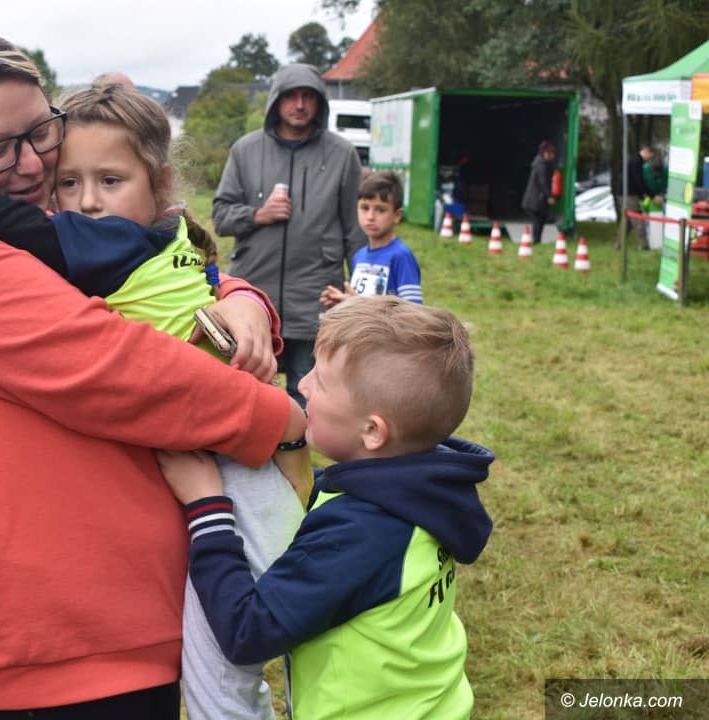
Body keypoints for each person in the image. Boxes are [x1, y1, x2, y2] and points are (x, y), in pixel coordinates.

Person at [0, 34, 306, 719]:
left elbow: (162, 263)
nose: (31, 166)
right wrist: (282, 420)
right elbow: (122, 370)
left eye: (40, 132)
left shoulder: (25, 225)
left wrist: (240, 296)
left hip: (84, 625)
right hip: (46, 648)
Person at [157, 295, 495, 719]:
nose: (302, 385)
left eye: (320, 380)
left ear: (372, 431)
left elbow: (248, 632)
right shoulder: (424, 492)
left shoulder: (360, 535)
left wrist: (207, 509)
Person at [212, 62, 364, 408]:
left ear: (320, 103)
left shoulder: (342, 155)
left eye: (308, 96)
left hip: (315, 298)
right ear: (276, 100)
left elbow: (354, 230)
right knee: (246, 394)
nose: (300, 104)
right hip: (254, 297)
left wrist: (361, 292)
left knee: (308, 396)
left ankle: (302, 444)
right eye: (291, 96)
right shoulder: (245, 150)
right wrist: (258, 214)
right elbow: (220, 217)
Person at [319, 171, 422, 308]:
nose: (370, 217)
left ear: (397, 215)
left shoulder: (401, 257)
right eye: (365, 208)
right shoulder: (359, 256)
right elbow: (362, 301)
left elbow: (414, 312)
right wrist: (345, 302)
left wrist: (364, 306)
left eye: (380, 210)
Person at [614, 145, 655, 250]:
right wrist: (652, 195)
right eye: (650, 157)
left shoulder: (635, 160)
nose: (649, 160)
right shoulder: (637, 162)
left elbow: (635, 181)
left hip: (623, 193)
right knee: (638, 219)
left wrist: (642, 196)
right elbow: (639, 181)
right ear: (646, 152)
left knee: (627, 221)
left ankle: (618, 245)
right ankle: (644, 245)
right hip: (629, 194)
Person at [521, 140, 557, 245]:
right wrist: (549, 196)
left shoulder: (541, 162)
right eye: (551, 154)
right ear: (545, 153)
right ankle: (536, 240)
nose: (553, 156)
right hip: (536, 198)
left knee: (541, 218)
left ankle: (537, 240)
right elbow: (543, 181)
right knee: (538, 219)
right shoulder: (542, 165)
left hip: (537, 197)